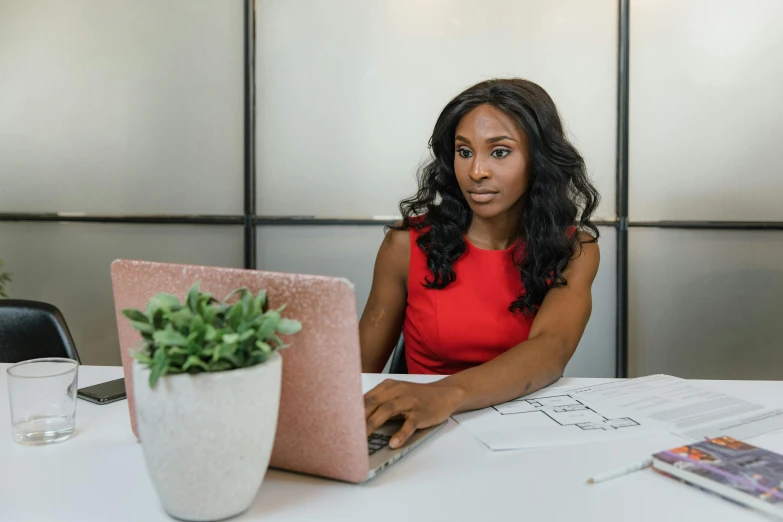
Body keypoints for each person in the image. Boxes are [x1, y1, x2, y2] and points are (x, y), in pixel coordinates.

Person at [359, 78, 601, 450]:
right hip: (416, 434)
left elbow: (551, 349)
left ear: (538, 158)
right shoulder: (406, 244)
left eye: (499, 152)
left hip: (523, 433)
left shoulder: (573, 249)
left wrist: (445, 394)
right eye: (464, 151)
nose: (476, 172)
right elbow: (356, 372)